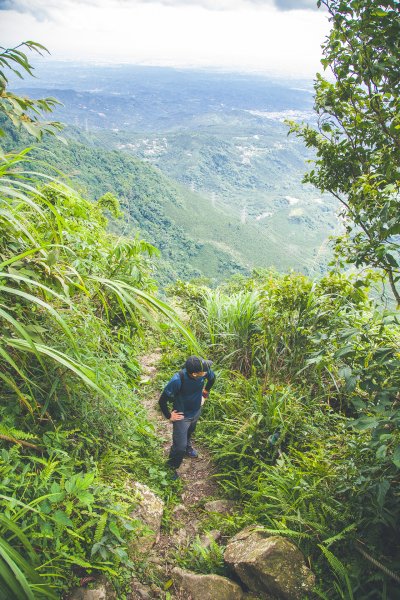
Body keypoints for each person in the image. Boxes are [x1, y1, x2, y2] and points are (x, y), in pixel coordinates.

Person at [158, 355, 216, 479]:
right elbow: (162, 401)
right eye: (204, 371)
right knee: (179, 448)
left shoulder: (203, 372)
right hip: (181, 416)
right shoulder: (178, 380)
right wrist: (169, 415)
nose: (207, 372)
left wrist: (205, 394)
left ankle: (188, 447)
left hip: (196, 410)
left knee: (191, 430)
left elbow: (212, 378)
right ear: (195, 374)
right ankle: (171, 467)